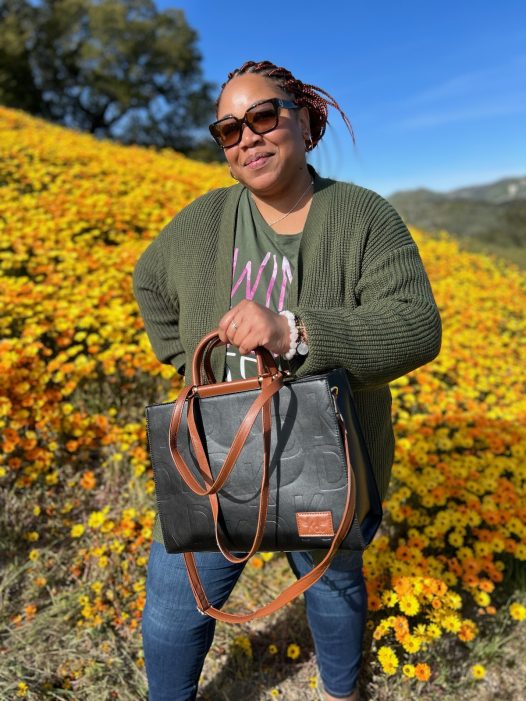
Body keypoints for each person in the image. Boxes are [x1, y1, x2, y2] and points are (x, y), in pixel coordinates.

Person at [133, 60, 441, 701]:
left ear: (304, 120)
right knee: (172, 602)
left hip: (325, 455)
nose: (247, 137)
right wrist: (191, 361)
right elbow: (150, 282)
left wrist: (296, 333)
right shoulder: (202, 223)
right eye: (228, 129)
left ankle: (338, 691)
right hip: (219, 456)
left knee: (332, 586)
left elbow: (416, 326)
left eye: (263, 116)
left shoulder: (363, 219)